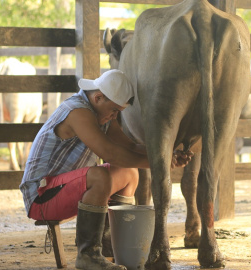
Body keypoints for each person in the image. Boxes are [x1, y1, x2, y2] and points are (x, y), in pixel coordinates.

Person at [19, 69, 193, 270]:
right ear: (98, 97)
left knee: (128, 173)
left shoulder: (100, 113)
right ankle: (88, 256)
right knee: (100, 176)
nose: (114, 116)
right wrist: (161, 163)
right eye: (114, 110)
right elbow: (110, 153)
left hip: (63, 189)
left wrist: (167, 153)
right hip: (41, 198)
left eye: (118, 111)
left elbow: (128, 147)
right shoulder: (77, 111)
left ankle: (109, 248)